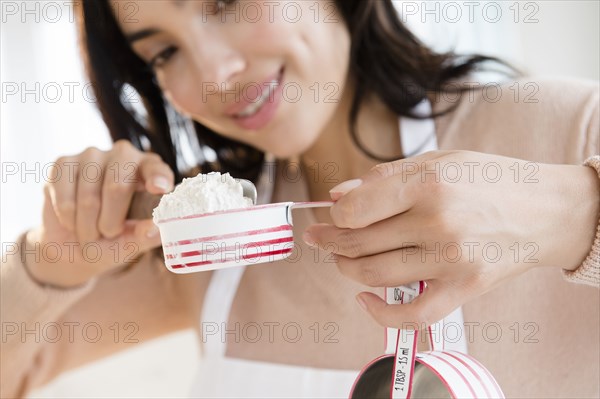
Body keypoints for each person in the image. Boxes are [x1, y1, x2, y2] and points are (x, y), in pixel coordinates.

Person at [2, 0, 599, 397]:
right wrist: (51, 257)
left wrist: (573, 214)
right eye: (163, 52)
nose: (216, 73)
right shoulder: (209, 234)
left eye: (225, 2)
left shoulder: (564, 130)